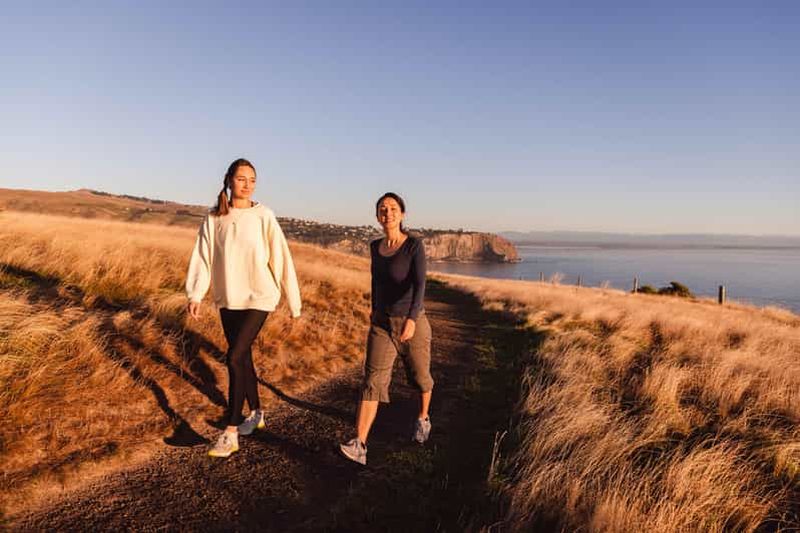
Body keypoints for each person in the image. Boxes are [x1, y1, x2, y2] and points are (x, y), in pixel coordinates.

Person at [185, 158, 301, 458]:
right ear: (229, 180)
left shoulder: (264, 215)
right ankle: (257, 414)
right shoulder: (214, 219)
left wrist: (294, 302)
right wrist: (196, 293)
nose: (247, 184)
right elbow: (203, 258)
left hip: (260, 296)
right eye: (241, 178)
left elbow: (281, 257)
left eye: (252, 179)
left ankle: (232, 429)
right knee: (243, 357)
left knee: (234, 356)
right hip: (228, 298)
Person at [339, 192, 433, 465]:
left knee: (420, 377)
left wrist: (413, 319)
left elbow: (420, 285)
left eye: (392, 208)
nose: (387, 212)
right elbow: (376, 281)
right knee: (372, 382)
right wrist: (373, 306)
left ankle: (422, 418)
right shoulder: (375, 246)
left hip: (411, 321)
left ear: (402, 214)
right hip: (381, 323)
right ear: (377, 216)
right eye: (382, 208)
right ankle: (359, 444)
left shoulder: (414, 245)